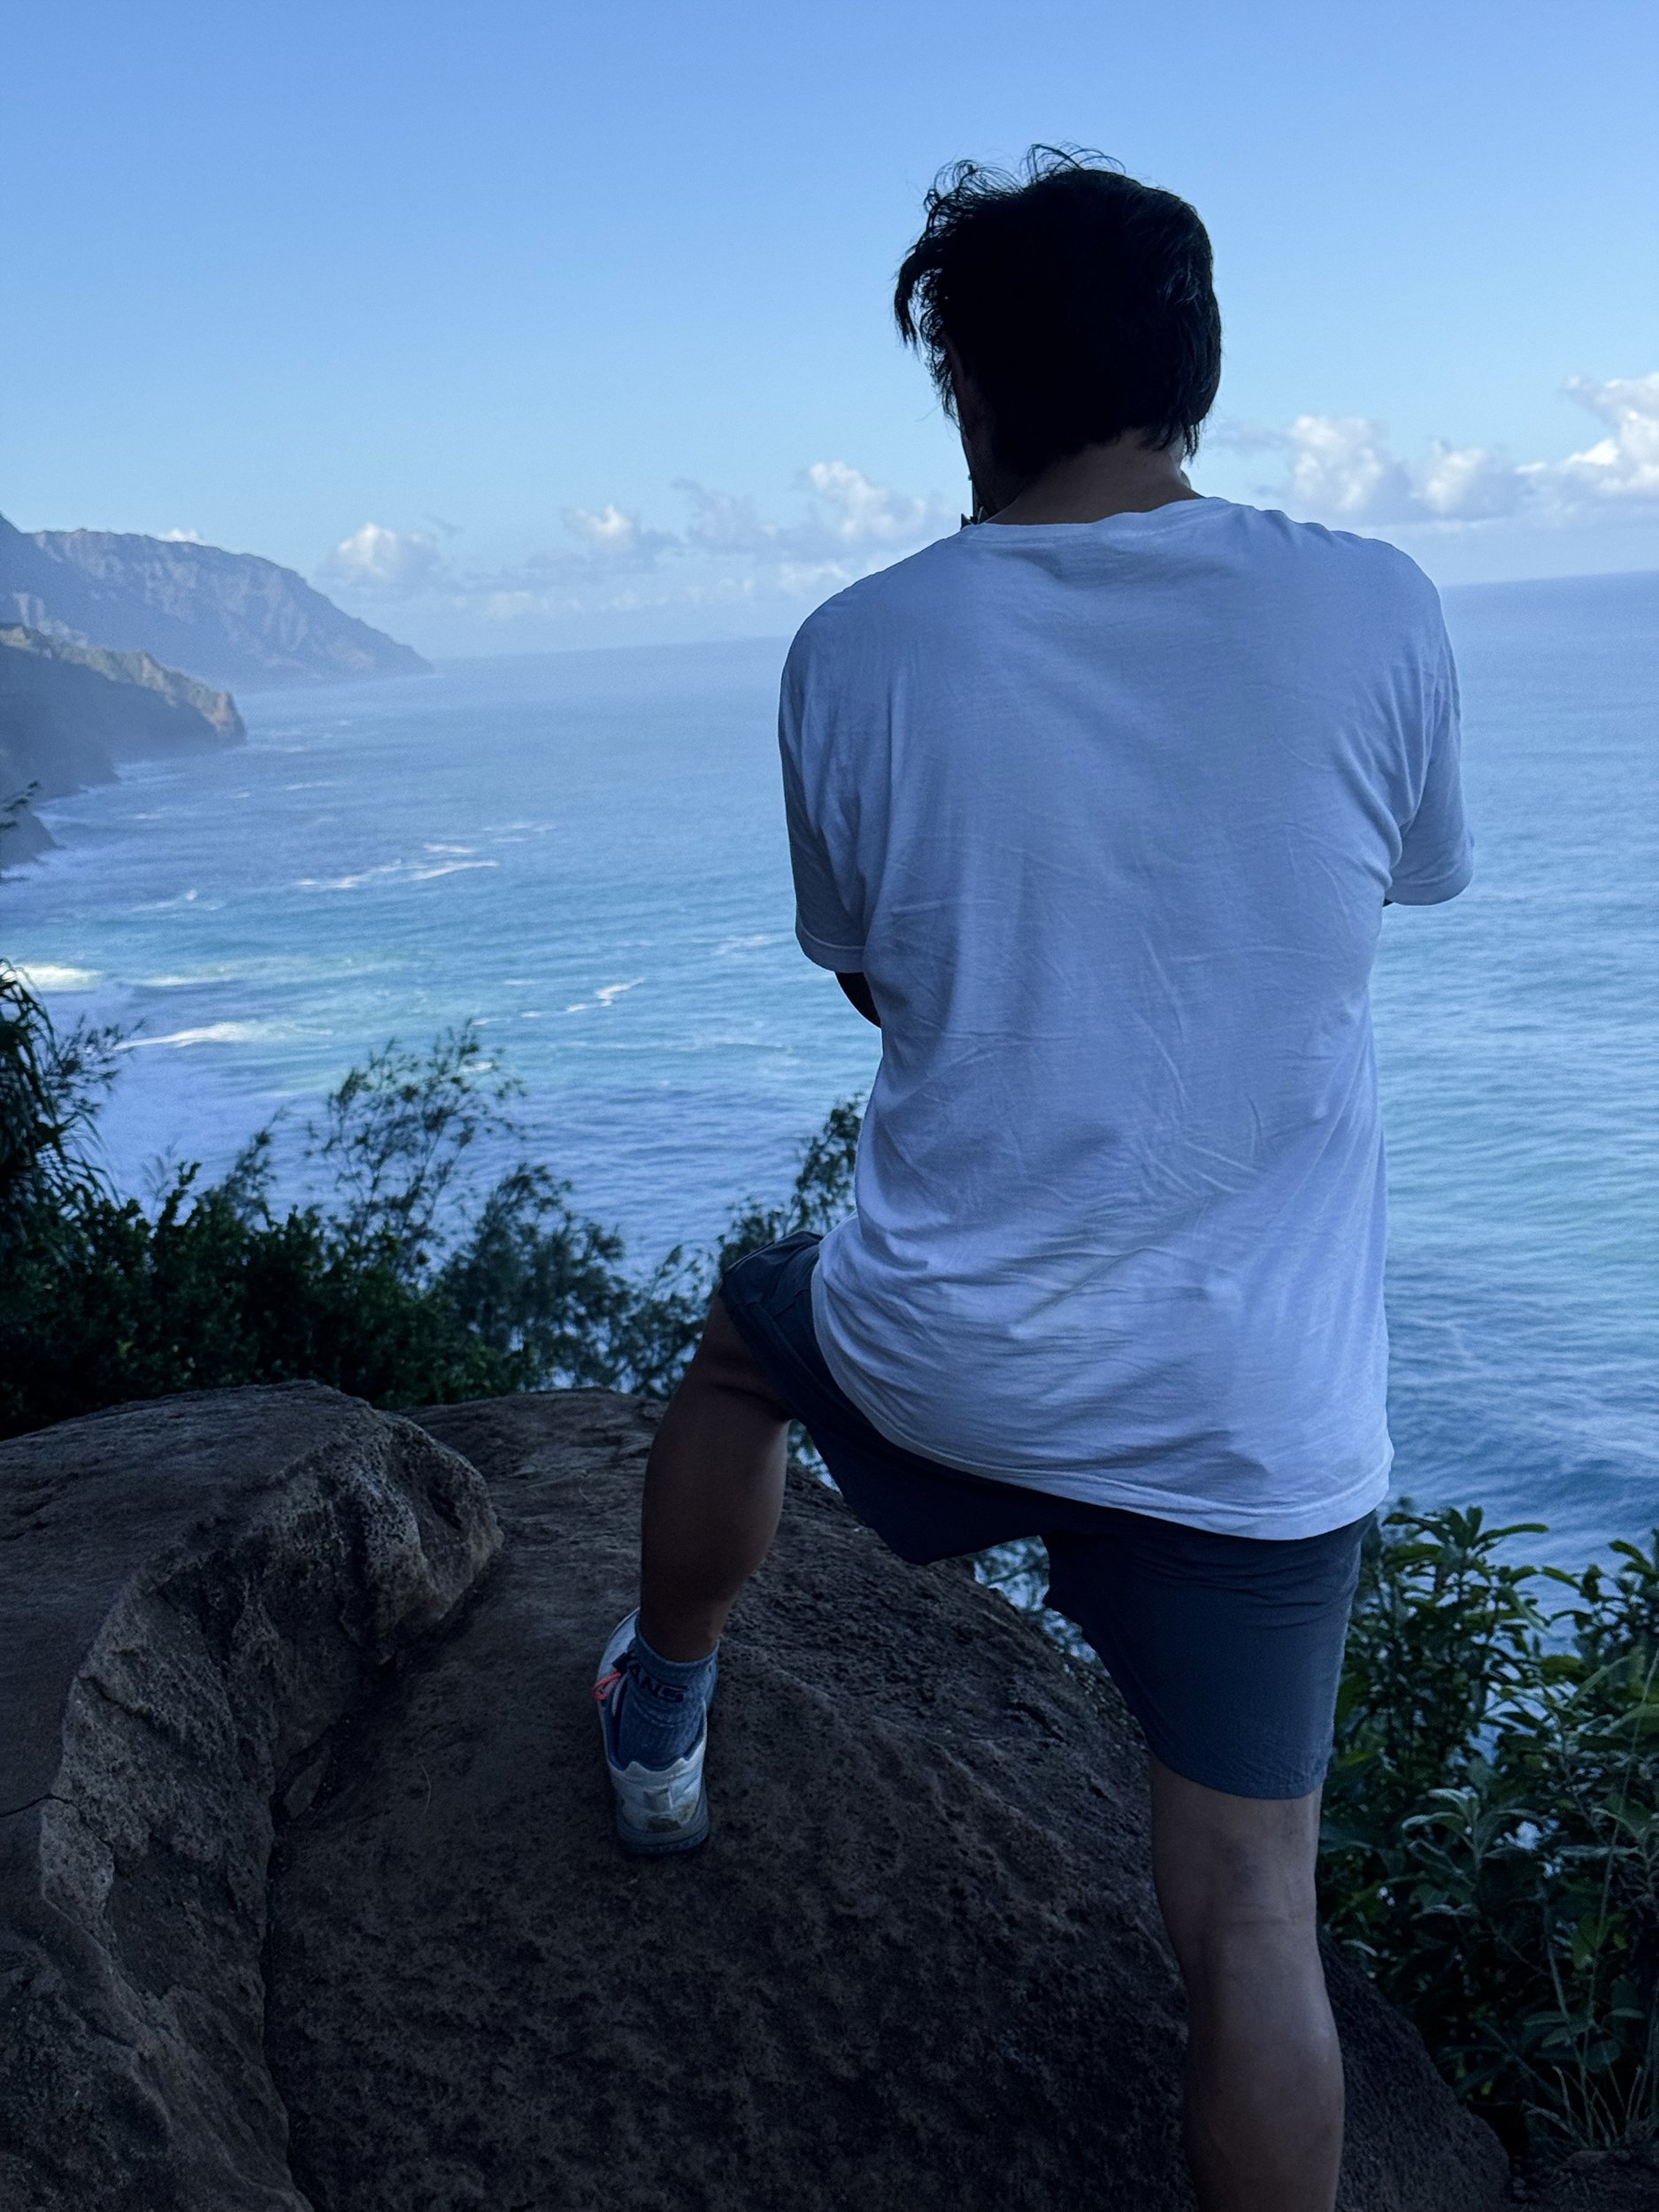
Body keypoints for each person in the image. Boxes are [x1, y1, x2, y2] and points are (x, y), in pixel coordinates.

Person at [592, 148, 1472, 2212]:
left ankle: (661, 1724)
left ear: (965, 381)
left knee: (739, 1346)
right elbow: (1399, 880)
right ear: (1195, 370)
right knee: (1253, 1915)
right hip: (1248, 1416)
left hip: (941, 1349)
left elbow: (873, 970)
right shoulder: (1375, 604)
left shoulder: (858, 648)